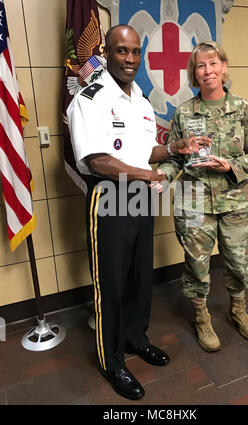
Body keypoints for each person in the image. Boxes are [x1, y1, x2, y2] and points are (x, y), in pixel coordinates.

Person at [66, 25, 197, 400]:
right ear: (106, 53)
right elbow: (97, 160)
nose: (130, 59)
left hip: (140, 196)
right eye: (122, 51)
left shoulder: (140, 100)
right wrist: (146, 174)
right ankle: (113, 362)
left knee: (141, 276)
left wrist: (176, 147)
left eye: (136, 52)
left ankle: (136, 338)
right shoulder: (89, 98)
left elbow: (145, 151)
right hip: (109, 196)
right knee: (112, 282)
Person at [158, 41, 248, 352]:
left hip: (235, 199)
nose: (208, 70)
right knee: (197, 263)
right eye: (201, 65)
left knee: (237, 260)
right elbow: (175, 157)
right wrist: (161, 177)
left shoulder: (244, 109)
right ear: (194, 73)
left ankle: (237, 310)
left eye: (213, 63)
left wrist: (230, 165)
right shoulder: (183, 113)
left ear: (223, 66)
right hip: (193, 200)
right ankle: (201, 317)